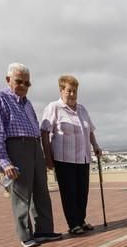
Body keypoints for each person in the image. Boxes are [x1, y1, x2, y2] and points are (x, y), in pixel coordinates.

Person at [0, 62, 61, 247]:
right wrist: (4, 162)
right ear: (8, 80)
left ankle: (44, 230)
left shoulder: (27, 104)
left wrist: (43, 154)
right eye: (19, 81)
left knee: (41, 191)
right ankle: (26, 234)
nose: (23, 86)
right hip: (16, 146)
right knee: (21, 193)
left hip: (34, 146)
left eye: (27, 83)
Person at [41, 75, 102, 236]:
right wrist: (48, 157)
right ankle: (73, 224)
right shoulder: (54, 108)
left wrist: (95, 145)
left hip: (83, 158)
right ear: (61, 90)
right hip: (63, 158)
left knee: (83, 191)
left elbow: (90, 131)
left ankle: (81, 220)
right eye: (69, 91)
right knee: (69, 192)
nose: (72, 94)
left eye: (75, 91)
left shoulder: (82, 109)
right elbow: (45, 132)